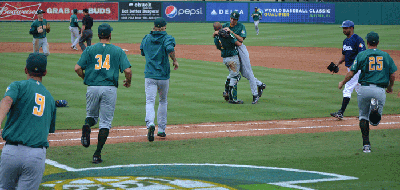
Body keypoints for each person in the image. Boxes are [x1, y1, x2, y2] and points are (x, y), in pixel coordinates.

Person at [75, 23, 132, 164]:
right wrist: (128, 81)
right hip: (109, 88)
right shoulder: (118, 51)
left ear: (98, 35)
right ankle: (97, 154)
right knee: (105, 123)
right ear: (110, 35)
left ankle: (87, 126)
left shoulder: (89, 49)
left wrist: (86, 78)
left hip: (92, 87)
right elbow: (128, 71)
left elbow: (77, 68)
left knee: (91, 118)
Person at [0, 53, 56, 189]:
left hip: (11, 152)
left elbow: (7, 100)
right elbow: (50, 129)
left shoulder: (17, 86)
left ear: (26, 69)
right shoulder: (50, 98)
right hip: (35, 156)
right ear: (45, 72)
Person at [338, 31, 397, 153]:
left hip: (364, 89)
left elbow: (351, 73)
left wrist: (342, 82)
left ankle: (366, 145)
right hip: (379, 90)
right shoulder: (386, 56)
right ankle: (374, 109)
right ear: (378, 42)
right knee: (375, 122)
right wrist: (390, 87)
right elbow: (393, 75)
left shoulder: (362, 55)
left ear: (367, 42)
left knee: (363, 117)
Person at [214, 11, 266, 104]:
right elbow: (218, 31)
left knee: (248, 72)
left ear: (237, 20)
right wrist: (215, 33)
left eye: (234, 19)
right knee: (243, 74)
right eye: (231, 18)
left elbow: (241, 40)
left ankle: (255, 95)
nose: (232, 20)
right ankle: (260, 84)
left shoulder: (241, 26)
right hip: (232, 52)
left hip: (240, 49)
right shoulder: (226, 25)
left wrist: (231, 32)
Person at [140, 18, 179, 142]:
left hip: (150, 74)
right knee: (163, 101)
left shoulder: (146, 38)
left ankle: (150, 124)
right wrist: (174, 60)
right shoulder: (167, 37)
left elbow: (142, 52)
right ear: (163, 27)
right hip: (163, 75)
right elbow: (170, 49)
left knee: (150, 101)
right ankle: (161, 130)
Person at [330, 20, 366, 120]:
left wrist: (355, 67)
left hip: (357, 70)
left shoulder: (358, 39)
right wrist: (337, 64)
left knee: (347, 88)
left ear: (351, 28)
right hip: (350, 69)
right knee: (360, 91)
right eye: (343, 28)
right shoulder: (345, 41)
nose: (344, 30)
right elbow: (344, 55)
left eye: (346, 28)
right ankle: (365, 113)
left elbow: (362, 55)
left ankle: (341, 112)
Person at [214, 28, 244, 104]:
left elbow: (218, 46)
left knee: (231, 75)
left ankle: (226, 91)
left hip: (225, 59)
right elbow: (239, 43)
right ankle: (233, 98)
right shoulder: (229, 37)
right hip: (233, 59)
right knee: (235, 77)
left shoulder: (218, 38)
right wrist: (232, 33)